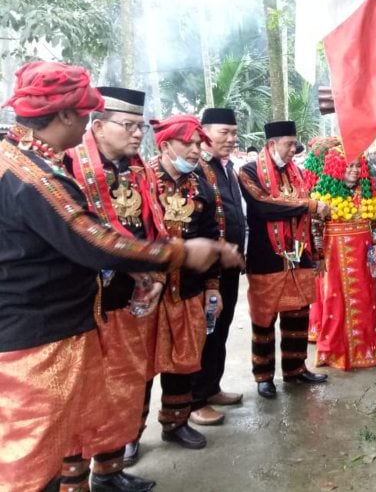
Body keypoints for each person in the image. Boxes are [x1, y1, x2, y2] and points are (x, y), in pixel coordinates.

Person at [0, 61, 232, 492]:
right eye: (90, 116)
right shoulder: (35, 175)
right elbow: (94, 241)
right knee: (35, 461)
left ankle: (104, 473)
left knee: (106, 401)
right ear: (69, 115)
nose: (88, 124)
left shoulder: (21, 160)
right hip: (38, 337)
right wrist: (180, 253)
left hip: (80, 317)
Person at [64, 86, 165, 491]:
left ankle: (109, 470)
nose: (137, 133)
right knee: (83, 393)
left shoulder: (137, 168)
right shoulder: (68, 167)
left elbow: (153, 226)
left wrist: (156, 273)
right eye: (128, 125)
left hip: (129, 299)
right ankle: (73, 479)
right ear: (99, 126)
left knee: (125, 385)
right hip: (86, 304)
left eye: (141, 126)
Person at [238, 120, 330, 399]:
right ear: (270, 144)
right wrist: (309, 205)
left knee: (298, 315)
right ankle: (264, 376)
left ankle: (295, 369)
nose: (294, 149)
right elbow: (264, 206)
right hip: (265, 256)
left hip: (298, 255)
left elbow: (308, 216)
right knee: (264, 319)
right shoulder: (248, 172)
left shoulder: (298, 174)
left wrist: (317, 253)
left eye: (295, 143)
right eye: (289, 144)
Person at [149, 115, 223, 450]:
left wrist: (212, 287)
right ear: (165, 145)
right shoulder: (142, 182)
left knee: (184, 358)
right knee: (140, 366)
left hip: (189, 290)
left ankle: (175, 423)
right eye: (188, 144)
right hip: (146, 295)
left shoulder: (201, 186)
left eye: (198, 144)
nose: (196, 151)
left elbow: (211, 239)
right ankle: (126, 440)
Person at [305, 138, 376, 369]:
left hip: (363, 256)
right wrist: (318, 256)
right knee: (335, 302)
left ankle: (365, 350)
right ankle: (334, 351)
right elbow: (315, 226)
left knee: (365, 300)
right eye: (348, 166)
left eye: (357, 167)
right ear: (338, 168)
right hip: (334, 257)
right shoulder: (323, 193)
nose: (353, 171)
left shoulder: (368, 193)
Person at [189, 108, 247, 426]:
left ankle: (212, 387)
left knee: (221, 329)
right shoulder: (197, 168)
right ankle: (194, 399)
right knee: (205, 331)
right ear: (205, 131)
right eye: (224, 132)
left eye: (234, 133)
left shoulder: (227, 168)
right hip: (205, 268)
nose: (230, 138)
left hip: (228, 267)